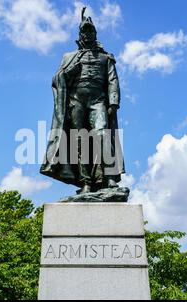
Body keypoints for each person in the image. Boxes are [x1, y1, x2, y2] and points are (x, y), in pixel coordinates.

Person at [40, 7, 125, 194]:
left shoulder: (106, 58)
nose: (87, 34)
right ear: (80, 34)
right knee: (80, 141)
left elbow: (113, 81)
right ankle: (86, 182)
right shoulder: (68, 57)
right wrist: (70, 71)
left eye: (90, 31)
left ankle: (109, 177)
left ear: (95, 34)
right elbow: (57, 79)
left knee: (102, 136)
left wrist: (113, 103)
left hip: (98, 101)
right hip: (76, 102)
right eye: (84, 31)